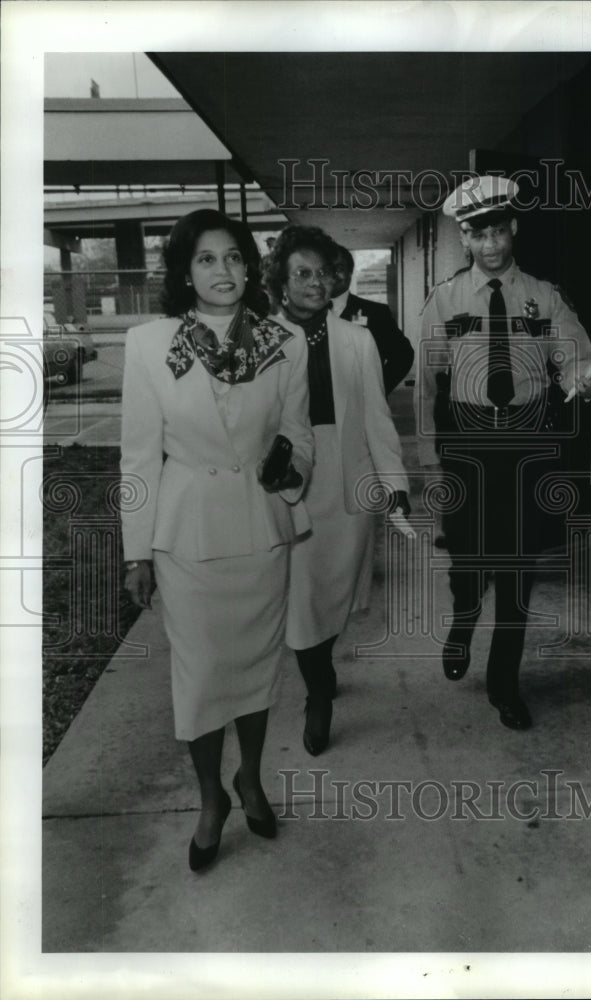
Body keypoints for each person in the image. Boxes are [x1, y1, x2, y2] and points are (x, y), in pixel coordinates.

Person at [120, 209, 313, 871]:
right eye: (206, 259)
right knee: (201, 678)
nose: (223, 270)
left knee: (255, 670)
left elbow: (299, 432)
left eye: (234, 257)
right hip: (188, 538)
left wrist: (292, 467)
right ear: (185, 271)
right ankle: (211, 800)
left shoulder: (285, 341)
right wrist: (136, 550)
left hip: (260, 530)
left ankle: (250, 778)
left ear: (250, 267)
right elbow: (138, 456)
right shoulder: (148, 345)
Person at [414, 176, 591, 730]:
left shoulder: (544, 296)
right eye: (479, 235)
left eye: (499, 231)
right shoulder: (444, 299)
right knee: (468, 557)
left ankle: (504, 683)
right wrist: (429, 462)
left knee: (518, 566)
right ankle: (463, 617)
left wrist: (583, 379)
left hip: (526, 444)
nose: (491, 245)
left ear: (513, 228)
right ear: (464, 239)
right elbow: (426, 387)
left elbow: (573, 358)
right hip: (467, 445)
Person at [264, 225, 410, 756]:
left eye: (323, 272)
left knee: (335, 594)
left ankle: (320, 667)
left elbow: (376, 417)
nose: (315, 282)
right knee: (303, 598)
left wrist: (394, 484)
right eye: (302, 273)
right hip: (290, 487)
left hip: (350, 482)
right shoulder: (261, 340)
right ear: (281, 282)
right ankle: (319, 692)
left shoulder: (358, 339)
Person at [330, 244, 414, 395]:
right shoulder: (306, 313)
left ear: (350, 272)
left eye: (339, 269)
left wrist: (377, 389)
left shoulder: (376, 312)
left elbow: (403, 355)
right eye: (326, 269)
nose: (333, 275)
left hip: (363, 404)